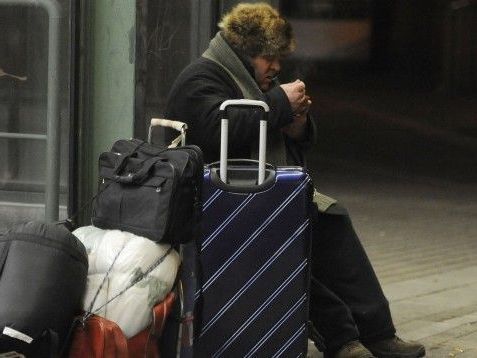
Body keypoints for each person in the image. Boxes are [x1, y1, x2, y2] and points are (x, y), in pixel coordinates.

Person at [164, 3, 426, 358]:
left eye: (278, 58)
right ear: (244, 51)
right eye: (267, 57)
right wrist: (278, 104)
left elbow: (271, 133)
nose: (275, 66)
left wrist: (296, 123)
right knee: (289, 239)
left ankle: (376, 330)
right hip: (219, 206)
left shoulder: (247, 81)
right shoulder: (202, 77)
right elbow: (216, 130)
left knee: (332, 220)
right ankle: (343, 338)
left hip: (259, 197)